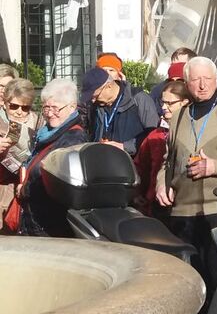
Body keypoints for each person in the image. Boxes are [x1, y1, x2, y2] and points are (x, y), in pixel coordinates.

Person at [155, 56, 217, 294]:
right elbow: (168, 160)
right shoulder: (177, 118)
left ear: (216, 81)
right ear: (186, 83)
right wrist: (161, 184)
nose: (203, 85)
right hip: (182, 215)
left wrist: (215, 167)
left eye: (208, 79)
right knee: (189, 287)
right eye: (196, 79)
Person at [17, 79, 87, 236]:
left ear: (72, 107)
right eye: (46, 108)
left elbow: (56, 179)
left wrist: (25, 189)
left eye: (56, 108)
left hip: (50, 223)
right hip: (36, 217)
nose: (49, 113)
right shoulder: (47, 133)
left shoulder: (73, 138)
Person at [134, 80, 190, 217]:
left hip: (184, 205)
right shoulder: (155, 135)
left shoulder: (193, 133)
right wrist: (137, 194)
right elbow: (140, 167)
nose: (164, 107)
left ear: (185, 103)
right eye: (162, 102)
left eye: (170, 103)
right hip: (156, 204)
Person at [81, 67, 158, 157]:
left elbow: (154, 135)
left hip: (134, 165)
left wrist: (124, 147)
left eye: (95, 96)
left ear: (108, 86)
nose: (93, 101)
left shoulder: (139, 99)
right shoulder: (96, 106)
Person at [0, 78, 39, 231]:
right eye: (14, 106)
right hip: (3, 188)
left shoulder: (39, 122)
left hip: (26, 188)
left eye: (25, 107)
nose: (19, 111)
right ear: (5, 102)